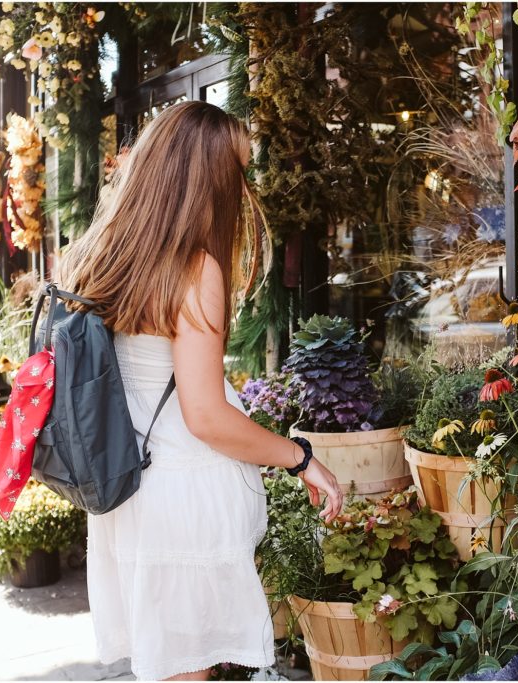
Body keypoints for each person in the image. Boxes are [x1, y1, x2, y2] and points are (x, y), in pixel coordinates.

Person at [57, 101, 344, 681]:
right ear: (209, 178)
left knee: (166, 669)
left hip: (126, 491)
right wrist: (301, 458)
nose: (244, 186)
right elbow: (206, 416)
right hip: (180, 495)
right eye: (238, 170)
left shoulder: (94, 256)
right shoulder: (193, 270)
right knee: (186, 672)